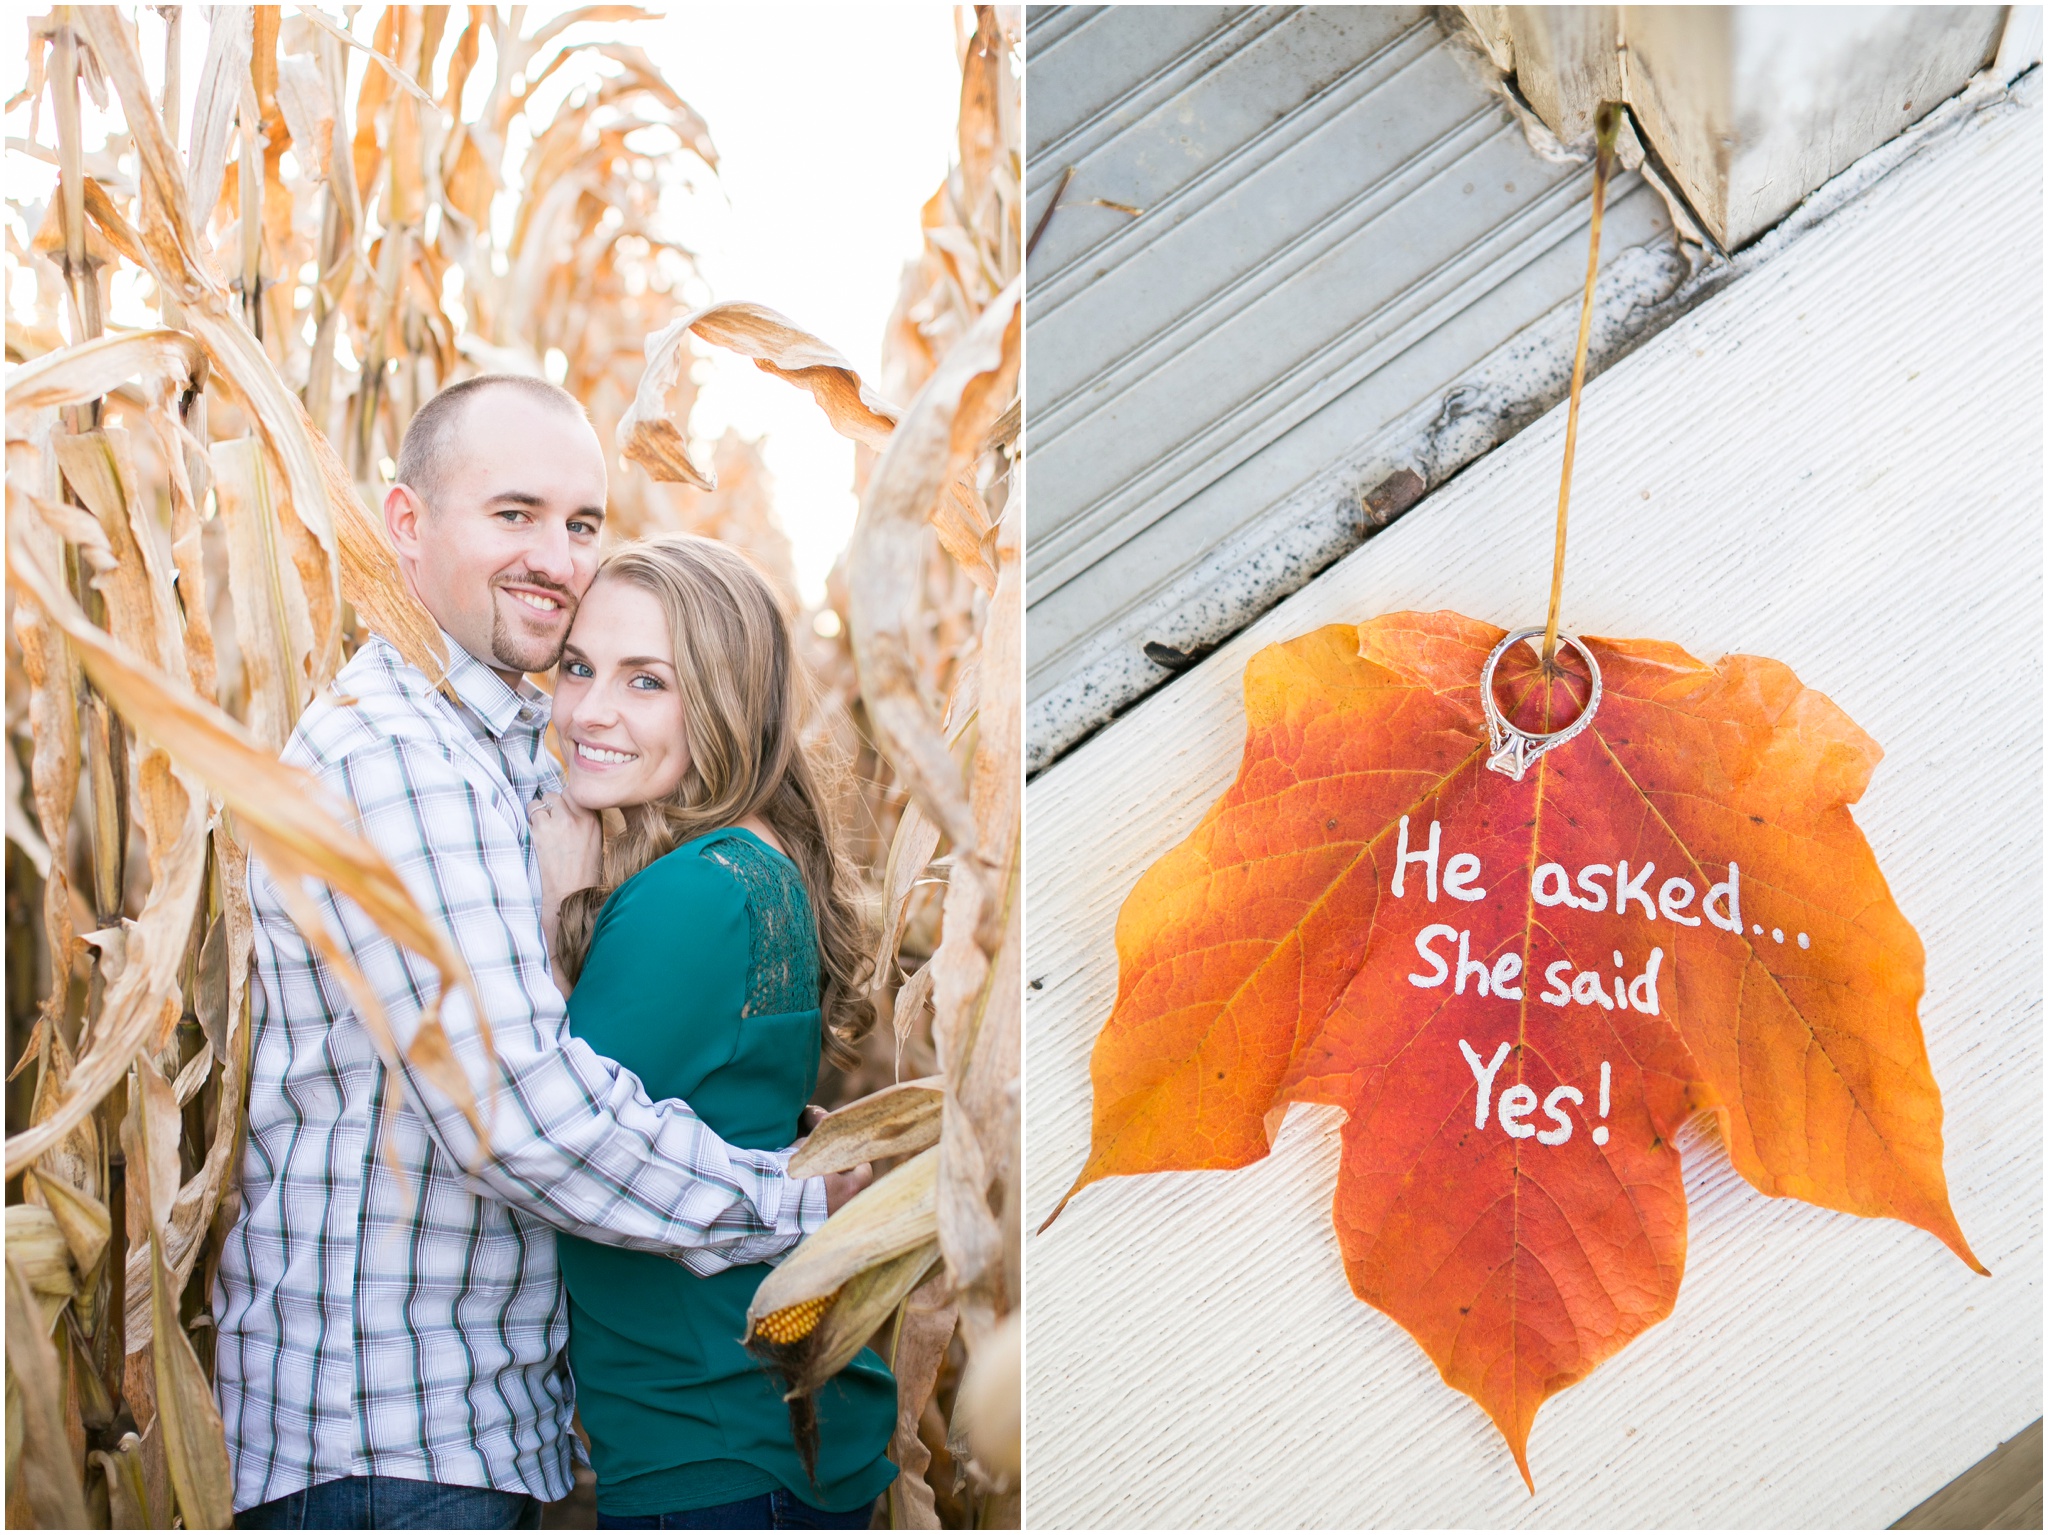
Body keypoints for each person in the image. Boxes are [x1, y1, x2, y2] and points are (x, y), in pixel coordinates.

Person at [215, 376, 868, 1530]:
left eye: (580, 523)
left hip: (471, 1431)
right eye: (513, 513)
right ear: (406, 524)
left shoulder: (511, 756)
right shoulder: (397, 756)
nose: (556, 559)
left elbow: (560, 1037)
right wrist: (802, 1208)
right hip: (389, 1437)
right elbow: (514, 1116)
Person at [526, 535, 898, 1530]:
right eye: (577, 666)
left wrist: (567, 911)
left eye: (647, 680)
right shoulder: (754, 866)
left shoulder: (688, 895)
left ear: (728, 698)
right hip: (781, 1419)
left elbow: (549, 1123)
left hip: (708, 1436)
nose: (590, 711)